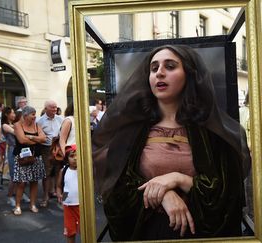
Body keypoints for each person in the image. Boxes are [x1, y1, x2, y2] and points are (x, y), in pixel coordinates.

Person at [92, 45, 250, 241]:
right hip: (147, 234)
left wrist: (179, 179)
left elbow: (228, 194)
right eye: (154, 68)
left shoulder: (213, 133)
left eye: (170, 66)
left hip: (199, 235)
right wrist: (164, 196)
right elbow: (116, 191)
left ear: (189, 75)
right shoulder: (131, 131)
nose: (159, 73)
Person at [12, 106, 46, 215]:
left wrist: (30, 138)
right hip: (22, 157)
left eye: (35, 114)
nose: (34, 116)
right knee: (21, 183)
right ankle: (17, 206)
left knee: (34, 181)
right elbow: (22, 140)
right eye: (32, 114)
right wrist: (37, 140)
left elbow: (44, 139)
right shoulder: (17, 125)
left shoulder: (37, 125)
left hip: (36, 157)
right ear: (25, 116)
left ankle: (32, 204)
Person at [36, 100, 64, 207]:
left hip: (58, 147)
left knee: (58, 171)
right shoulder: (40, 121)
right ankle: (45, 196)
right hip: (46, 149)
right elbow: (39, 137)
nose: (55, 109)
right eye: (52, 107)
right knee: (46, 173)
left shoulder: (61, 119)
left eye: (56, 107)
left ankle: (58, 193)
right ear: (46, 108)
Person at [56, 144, 79, 243]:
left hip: (81, 205)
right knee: (70, 232)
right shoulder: (64, 170)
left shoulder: (83, 171)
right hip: (68, 206)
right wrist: (60, 196)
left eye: (77, 155)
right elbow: (60, 186)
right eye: (72, 156)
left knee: (85, 230)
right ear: (67, 158)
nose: (75, 158)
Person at [1, 107, 17, 207]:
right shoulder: (5, 125)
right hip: (12, 149)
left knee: (20, 174)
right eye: (12, 113)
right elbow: (16, 133)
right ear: (7, 114)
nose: (14, 114)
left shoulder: (13, 124)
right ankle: (10, 196)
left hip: (19, 149)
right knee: (14, 174)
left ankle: (20, 193)